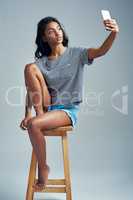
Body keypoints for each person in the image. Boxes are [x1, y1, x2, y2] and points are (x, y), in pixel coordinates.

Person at [20, 16, 119, 189]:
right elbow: (31, 90)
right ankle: (39, 117)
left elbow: (101, 50)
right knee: (30, 68)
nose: (57, 33)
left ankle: (43, 168)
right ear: (44, 38)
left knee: (34, 125)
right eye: (51, 31)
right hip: (46, 106)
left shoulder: (77, 54)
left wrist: (113, 33)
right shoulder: (42, 62)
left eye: (58, 28)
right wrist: (27, 113)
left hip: (66, 110)